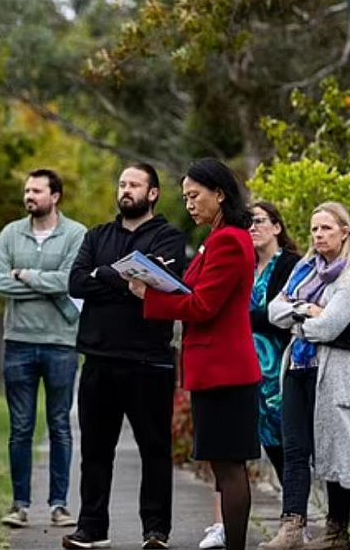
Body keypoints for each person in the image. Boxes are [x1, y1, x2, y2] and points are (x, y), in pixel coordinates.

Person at [128, 159, 261, 550]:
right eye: (185, 196)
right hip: (215, 370)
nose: (188, 204)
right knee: (224, 468)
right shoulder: (219, 238)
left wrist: (149, 296)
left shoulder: (228, 241)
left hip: (227, 371)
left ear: (219, 194)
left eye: (194, 195)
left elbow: (203, 306)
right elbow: (193, 293)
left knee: (230, 468)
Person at [62, 164, 187, 550]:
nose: (125, 190)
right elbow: (76, 281)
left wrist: (104, 276)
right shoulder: (97, 235)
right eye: (122, 184)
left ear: (152, 193)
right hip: (98, 358)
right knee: (96, 451)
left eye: (134, 184)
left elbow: (163, 285)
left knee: (155, 450)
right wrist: (125, 279)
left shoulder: (169, 238)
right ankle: (91, 528)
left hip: (149, 361)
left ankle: (155, 531)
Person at [260, 202, 350, 550]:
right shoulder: (304, 269)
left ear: (344, 232)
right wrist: (306, 309)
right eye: (314, 229)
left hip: (335, 373)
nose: (319, 235)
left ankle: (337, 531)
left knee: (338, 453)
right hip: (298, 368)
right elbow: (273, 311)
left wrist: (299, 321)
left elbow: (329, 327)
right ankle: (291, 528)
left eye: (326, 228)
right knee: (294, 448)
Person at [198, 202, 302, 550]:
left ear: (277, 227)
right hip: (238, 366)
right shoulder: (244, 262)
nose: (253, 228)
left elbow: (279, 314)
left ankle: (293, 522)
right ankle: (221, 524)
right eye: (249, 222)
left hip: (273, 370)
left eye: (260, 222)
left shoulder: (289, 264)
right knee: (229, 455)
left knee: (278, 445)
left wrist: (241, 315)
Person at [0, 169, 87, 528]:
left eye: (36, 190)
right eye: (26, 191)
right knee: (20, 427)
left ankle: (60, 505)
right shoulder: (10, 234)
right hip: (18, 342)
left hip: (61, 343)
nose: (29, 196)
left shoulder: (76, 234)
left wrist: (26, 275)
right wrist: (46, 285)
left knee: (60, 424)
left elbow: (71, 280)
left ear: (55, 196)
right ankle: (19, 504)